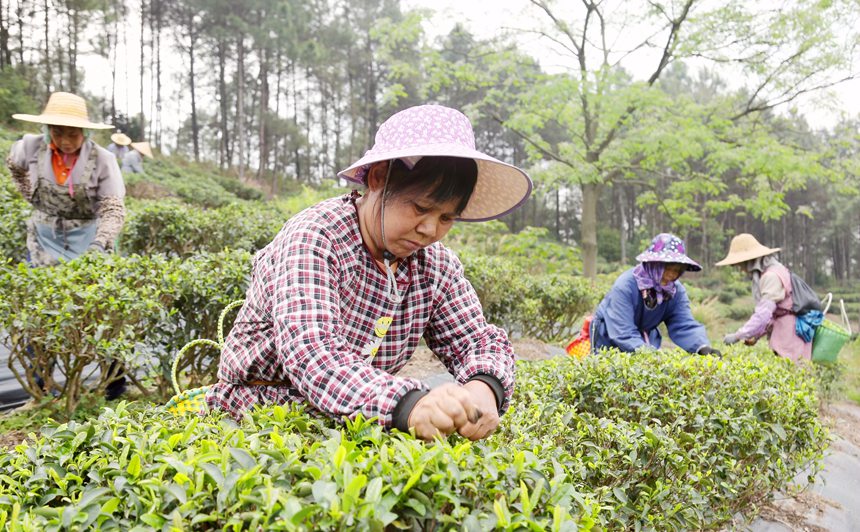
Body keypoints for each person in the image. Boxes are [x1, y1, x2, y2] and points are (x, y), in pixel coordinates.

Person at [206, 104, 533, 442]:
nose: (430, 229)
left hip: (356, 426)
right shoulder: (317, 237)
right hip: (259, 419)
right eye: (420, 208)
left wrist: (484, 387)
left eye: (447, 218)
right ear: (378, 178)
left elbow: (475, 340)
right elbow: (314, 355)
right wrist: (409, 405)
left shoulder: (435, 267)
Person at [5, 91, 127, 398]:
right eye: (57, 132)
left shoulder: (104, 159)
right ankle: (42, 385)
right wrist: (29, 193)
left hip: (88, 237)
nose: (65, 140)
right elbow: (14, 165)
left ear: (83, 132)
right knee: (42, 309)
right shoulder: (31, 147)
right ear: (48, 130)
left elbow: (113, 209)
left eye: (72, 133)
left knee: (100, 310)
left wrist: (100, 244)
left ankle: (114, 384)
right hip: (44, 238)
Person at [590, 233, 721, 356]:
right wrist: (651, 356)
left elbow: (683, 323)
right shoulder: (626, 286)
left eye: (677, 270)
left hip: (643, 336)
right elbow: (622, 331)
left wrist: (702, 347)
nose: (672, 274)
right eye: (667, 268)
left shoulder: (675, 291)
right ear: (654, 264)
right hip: (609, 335)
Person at [716, 233, 811, 363]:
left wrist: (739, 335)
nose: (741, 270)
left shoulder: (771, 276)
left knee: (794, 371)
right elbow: (771, 314)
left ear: (748, 261)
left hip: (790, 334)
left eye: (740, 265)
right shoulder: (772, 270)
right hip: (786, 331)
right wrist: (756, 335)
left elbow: (764, 313)